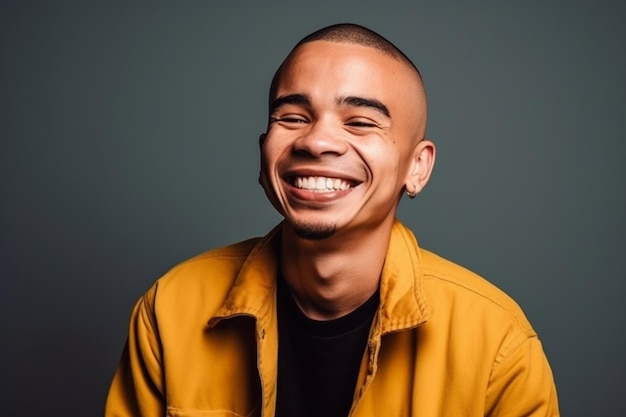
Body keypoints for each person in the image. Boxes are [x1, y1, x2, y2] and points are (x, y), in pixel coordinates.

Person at [105, 23, 559, 417]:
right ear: (264, 154)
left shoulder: (498, 343)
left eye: (360, 122)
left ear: (416, 167)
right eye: (293, 116)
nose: (317, 140)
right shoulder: (170, 309)